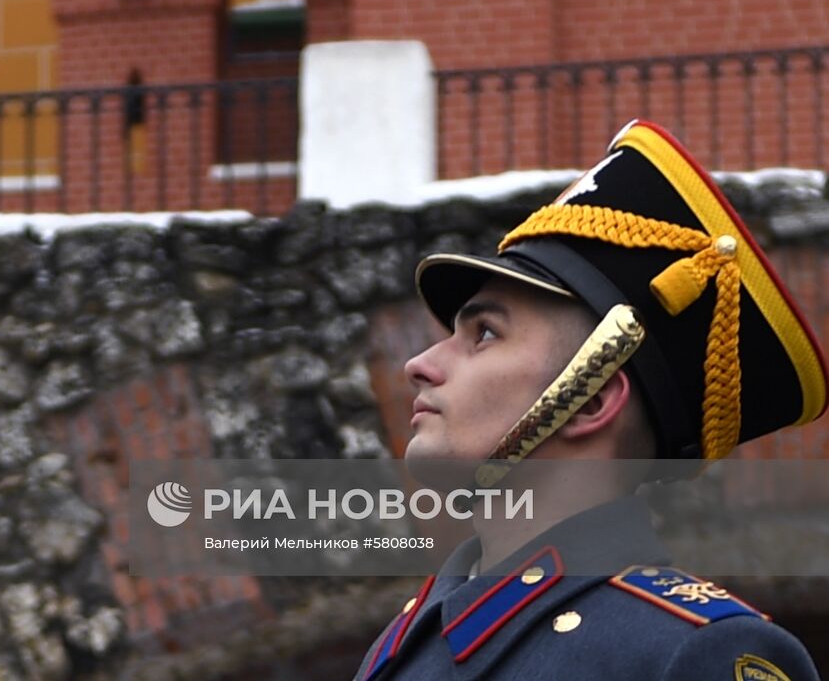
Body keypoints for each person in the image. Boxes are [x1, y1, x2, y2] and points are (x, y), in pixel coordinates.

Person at [353, 120, 826, 680]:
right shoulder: (402, 650)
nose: (420, 365)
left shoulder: (691, 655)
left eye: (484, 334)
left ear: (593, 401)